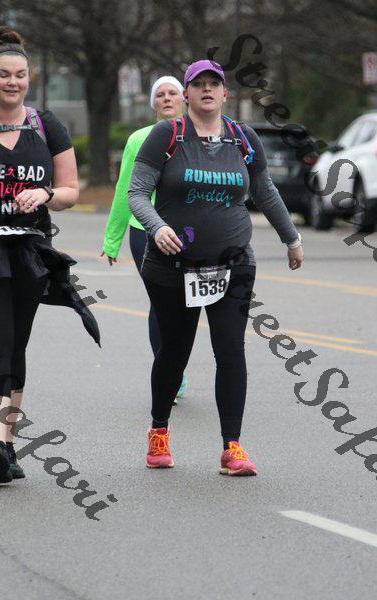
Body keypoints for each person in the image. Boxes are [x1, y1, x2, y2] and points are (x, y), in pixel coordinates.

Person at [128, 59, 303, 475]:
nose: (206, 90)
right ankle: (159, 430)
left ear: (225, 94)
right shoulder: (166, 135)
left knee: (230, 349)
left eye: (214, 84)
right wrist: (157, 227)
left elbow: (265, 191)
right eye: (198, 84)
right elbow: (136, 193)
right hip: (173, 265)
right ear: (186, 93)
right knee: (174, 350)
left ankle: (232, 447)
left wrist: (291, 238)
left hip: (232, 264)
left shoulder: (242, 138)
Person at [0, 26, 99, 485]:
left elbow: (70, 191)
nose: (12, 82)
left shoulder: (46, 126)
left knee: (16, 344)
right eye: (3, 75)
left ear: (29, 79)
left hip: (29, 252)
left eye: (20, 75)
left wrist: (44, 194)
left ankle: (7, 444)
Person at [102, 76, 188, 400]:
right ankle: (170, 374)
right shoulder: (139, 139)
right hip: (145, 232)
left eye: (172, 93)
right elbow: (125, 191)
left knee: (185, 305)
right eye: (160, 94)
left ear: (183, 98)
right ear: (153, 103)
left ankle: (175, 363)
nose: (166, 98)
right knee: (161, 302)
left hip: (188, 233)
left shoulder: (195, 136)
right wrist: (112, 240)